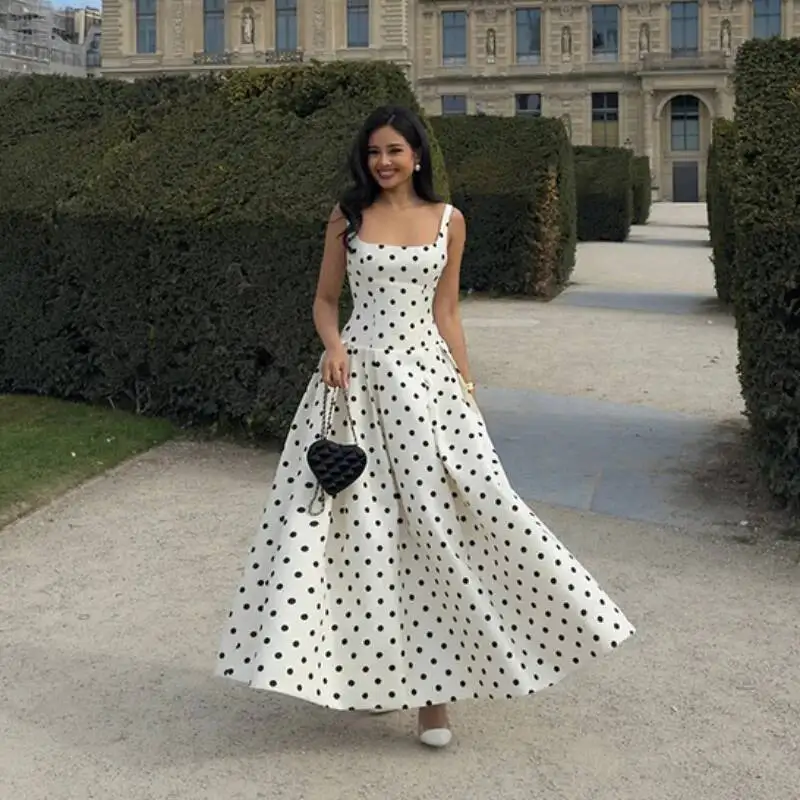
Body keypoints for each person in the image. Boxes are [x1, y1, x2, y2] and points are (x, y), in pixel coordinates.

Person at [215, 105, 635, 749]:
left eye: (394, 151)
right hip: (356, 390)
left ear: (417, 156)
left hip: (428, 391)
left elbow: (448, 312)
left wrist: (466, 388)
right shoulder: (347, 218)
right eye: (374, 152)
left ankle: (435, 699)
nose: (383, 162)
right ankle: (370, 676)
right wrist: (334, 346)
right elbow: (325, 301)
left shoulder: (449, 220)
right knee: (359, 538)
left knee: (442, 528)